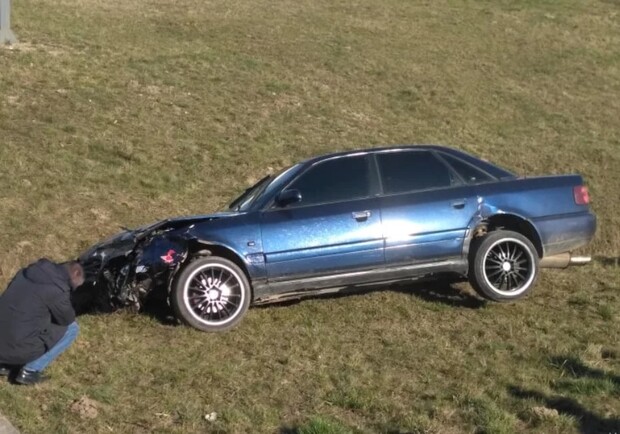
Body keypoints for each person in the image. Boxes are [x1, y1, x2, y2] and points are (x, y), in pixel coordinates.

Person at [0, 258, 84, 385]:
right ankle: (30, 371)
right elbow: (67, 318)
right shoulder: (57, 290)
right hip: (16, 348)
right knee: (72, 328)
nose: (72, 289)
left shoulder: (26, 273)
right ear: (76, 274)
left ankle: (5, 365)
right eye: (74, 287)